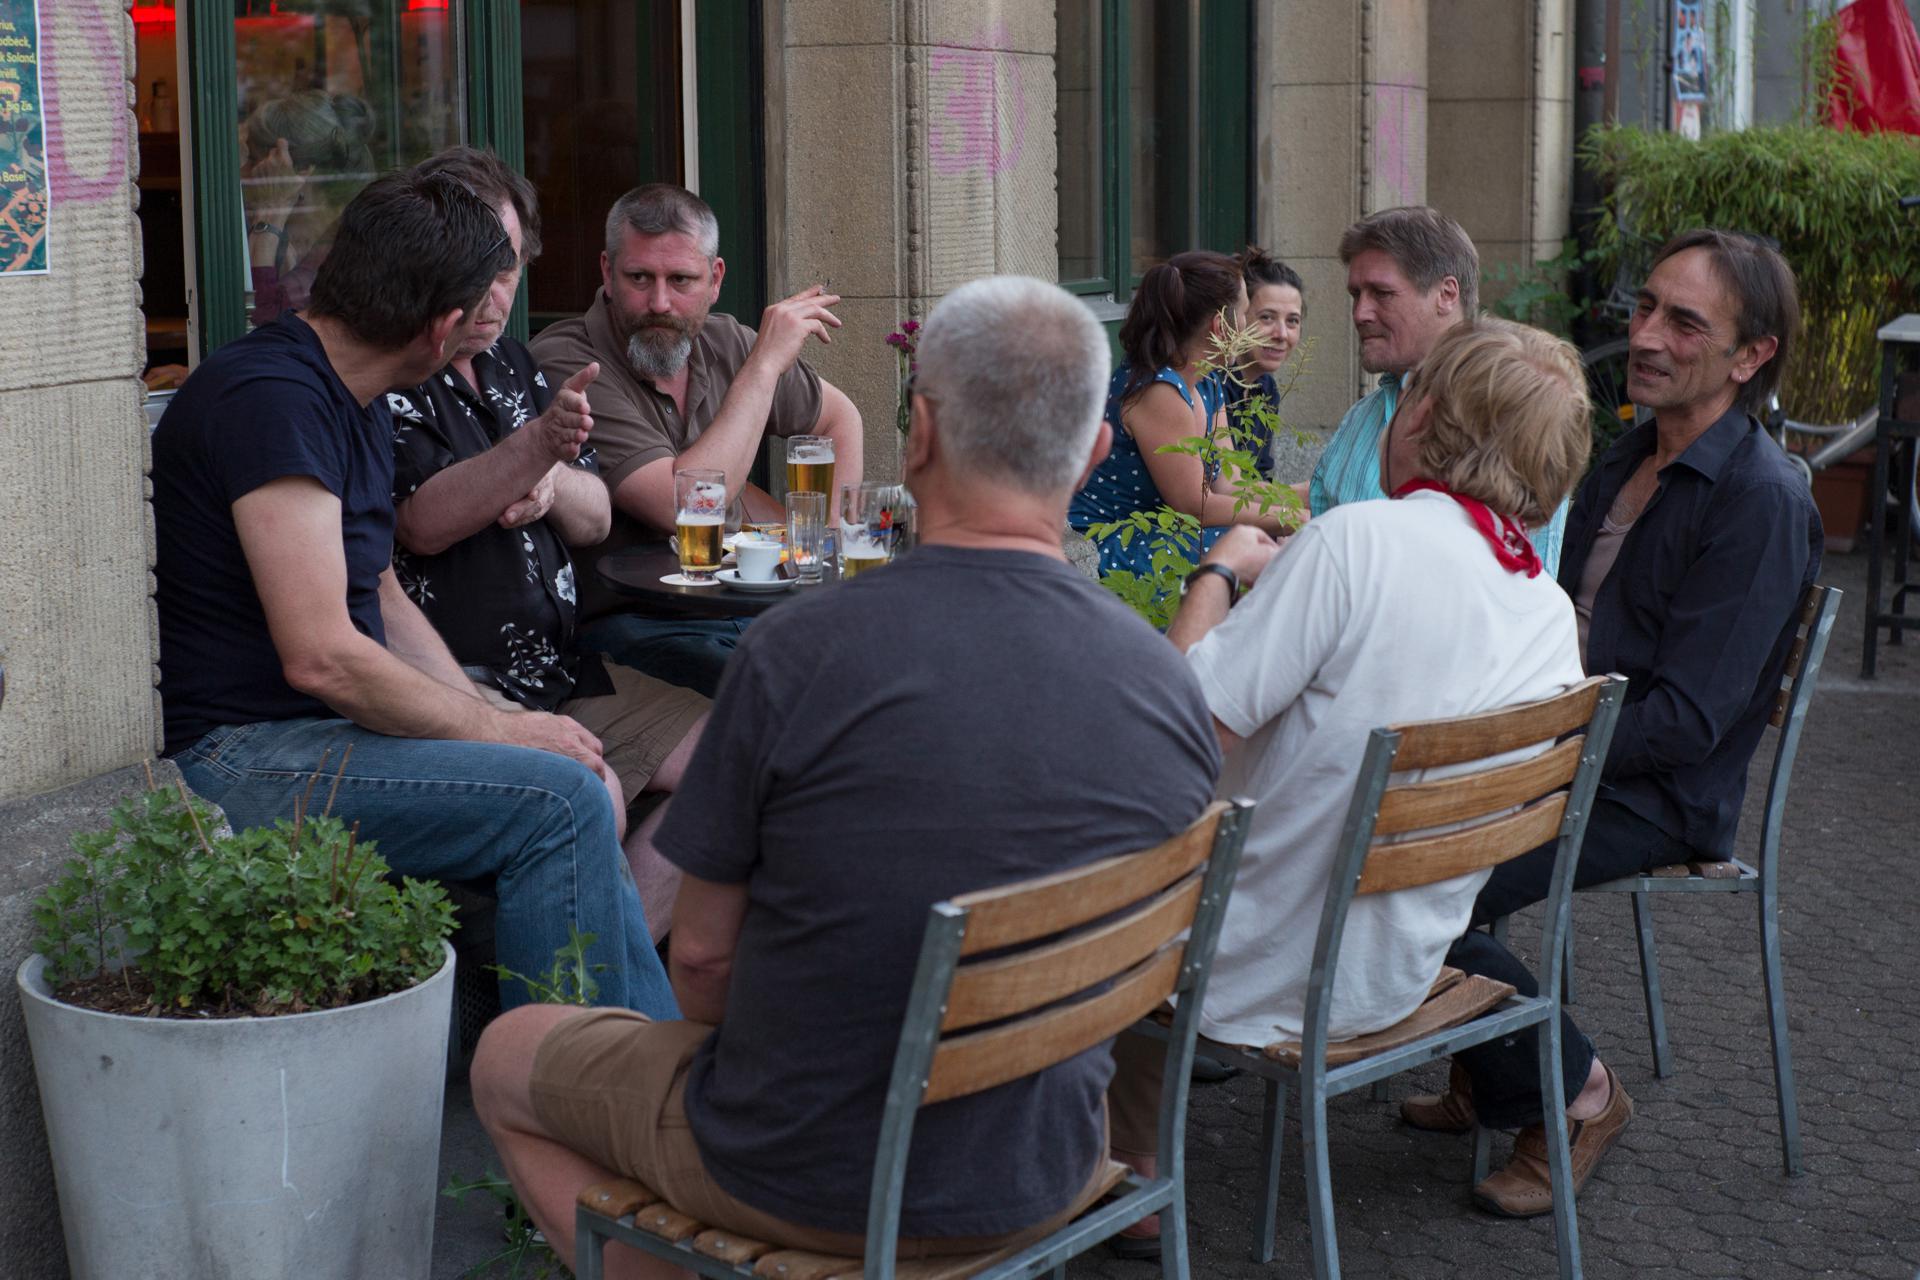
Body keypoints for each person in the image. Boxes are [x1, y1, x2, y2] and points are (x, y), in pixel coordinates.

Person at [471, 275, 1222, 1273]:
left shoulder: (798, 653)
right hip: (1050, 1161)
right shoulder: (1163, 678)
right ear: (1093, 452)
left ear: (920, 434)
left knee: (508, 1055)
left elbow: (701, 967)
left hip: (807, 1170)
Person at [1108, 316, 1624, 1244]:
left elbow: (1167, 740)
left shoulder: (1355, 545)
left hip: (1247, 965)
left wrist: (1218, 573)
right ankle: (1134, 1169)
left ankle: (1104, 1169)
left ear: (1419, 415)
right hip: (1392, 969)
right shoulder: (1547, 612)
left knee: (1088, 845)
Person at [151, 169, 676, 1017]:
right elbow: (323, 657)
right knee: (560, 800)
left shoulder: (349, 392)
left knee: (561, 776)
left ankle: (632, 1062)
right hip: (240, 757)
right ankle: (578, 1075)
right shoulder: (273, 400)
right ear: (441, 330)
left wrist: (494, 718)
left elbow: (383, 598)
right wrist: (499, 729)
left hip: (317, 737)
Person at [387, 147, 709, 940]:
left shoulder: (514, 363)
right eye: (477, 269)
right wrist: (530, 454)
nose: (493, 293)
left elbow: (594, 517)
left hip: (561, 670)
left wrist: (549, 481)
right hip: (456, 683)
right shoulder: (394, 367)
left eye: (508, 268)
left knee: (739, 754)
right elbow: (421, 521)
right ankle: (588, 990)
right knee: (588, 793)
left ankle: (615, 959)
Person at [532, 183, 864, 696]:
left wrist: (824, 561)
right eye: (639, 278)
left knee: (888, 668)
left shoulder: (728, 341)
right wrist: (763, 369)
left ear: (715, 279)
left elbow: (841, 419)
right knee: (789, 701)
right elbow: (683, 505)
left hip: (748, 608)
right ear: (606, 272)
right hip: (634, 624)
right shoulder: (568, 360)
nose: (659, 302)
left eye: (681, 280)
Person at [1309, 205, 1568, 575]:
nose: (1360, 313)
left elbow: (1523, 587)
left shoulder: (1514, 419)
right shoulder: (1360, 419)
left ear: (1447, 294)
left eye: (1382, 293)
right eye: (1355, 294)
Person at [1068, 250, 1296, 580]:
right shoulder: (1159, 390)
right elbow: (1196, 507)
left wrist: (1307, 502)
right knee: (1268, 562)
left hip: (1173, 534)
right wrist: (1294, 519)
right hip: (1120, 544)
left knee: (1275, 551)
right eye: (1246, 313)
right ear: (1221, 326)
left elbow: (1230, 486)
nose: (1248, 324)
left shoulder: (1209, 380)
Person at [240, 90, 375, 326]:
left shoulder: (343, 253)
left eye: (252, 160)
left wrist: (272, 210)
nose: (242, 173)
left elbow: (264, 325)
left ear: (298, 171)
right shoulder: (301, 240)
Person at [1224, 246, 1306, 479]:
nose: (1281, 334)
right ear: (1237, 318)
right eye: (1267, 317)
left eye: (1292, 321)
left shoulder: (1266, 388)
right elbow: (1220, 487)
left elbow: (1256, 475)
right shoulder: (1212, 382)